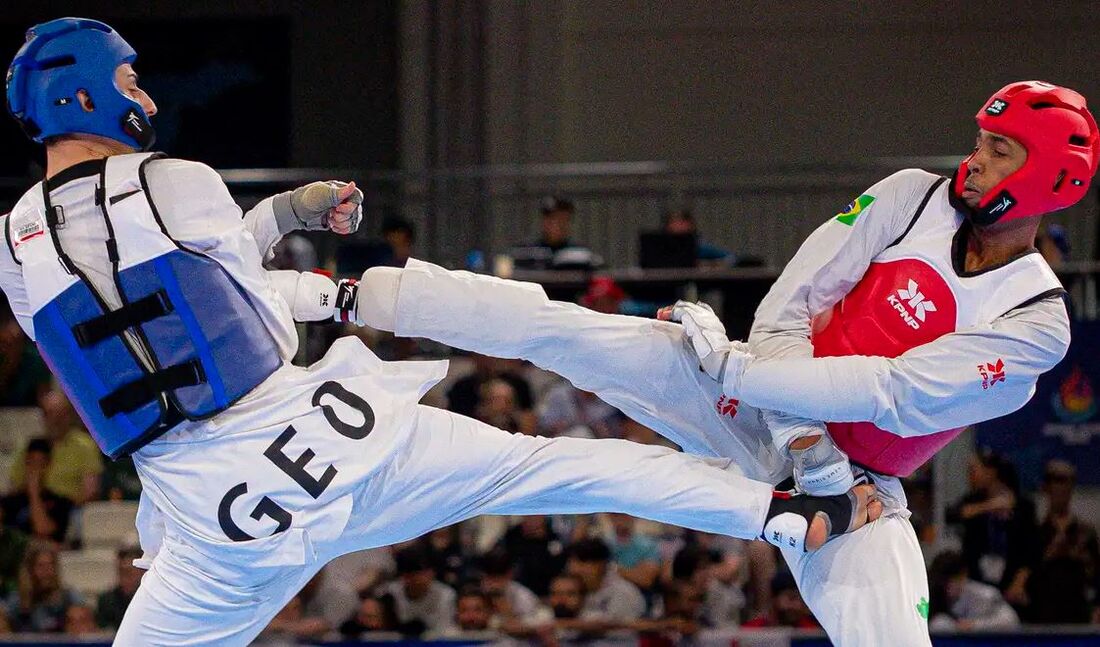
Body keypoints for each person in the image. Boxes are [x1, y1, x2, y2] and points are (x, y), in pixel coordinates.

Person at [0, 18, 876, 645]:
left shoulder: (13, 246)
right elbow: (247, 307)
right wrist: (329, 286)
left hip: (213, 523)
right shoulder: (176, 178)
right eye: (127, 81)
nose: (142, 92)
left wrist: (288, 212)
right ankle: (785, 514)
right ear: (83, 93)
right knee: (558, 466)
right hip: (331, 442)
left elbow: (160, 306)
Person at [357, 80, 1098, 646]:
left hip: (856, 493)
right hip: (760, 410)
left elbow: (889, 391)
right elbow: (789, 306)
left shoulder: (1034, 323)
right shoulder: (911, 197)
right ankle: (368, 297)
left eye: (999, 152)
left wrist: (749, 381)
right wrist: (798, 435)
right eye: (979, 139)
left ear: (1051, 181)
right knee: (567, 330)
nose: (974, 161)